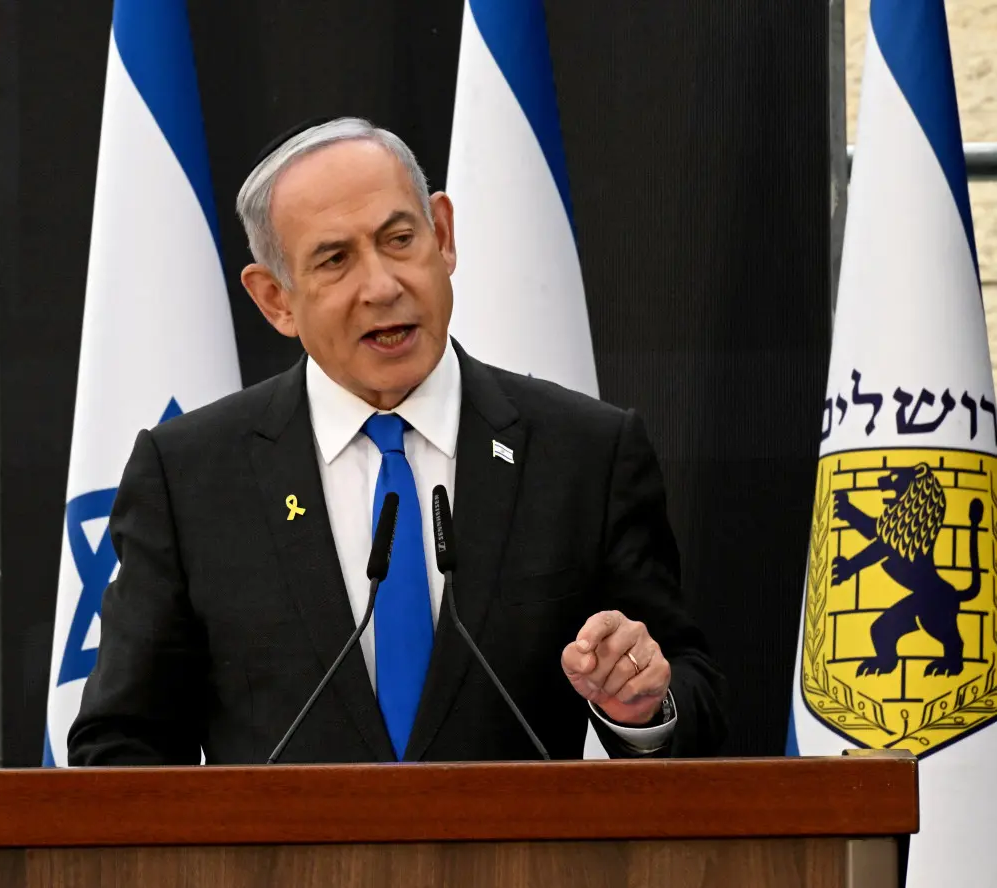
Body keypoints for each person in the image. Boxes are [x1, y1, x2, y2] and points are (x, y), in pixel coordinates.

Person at [67, 118, 726, 765]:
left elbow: (693, 694)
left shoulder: (586, 454)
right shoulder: (190, 478)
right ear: (276, 300)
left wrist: (644, 708)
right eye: (334, 260)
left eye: (400, 239)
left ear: (442, 236)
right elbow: (122, 744)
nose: (382, 287)